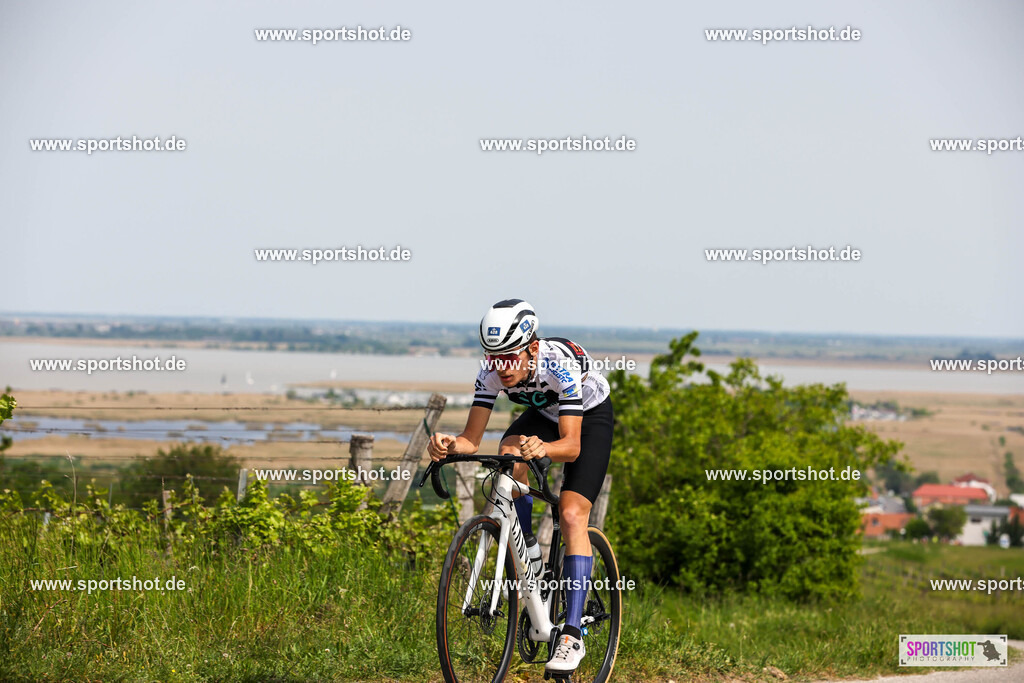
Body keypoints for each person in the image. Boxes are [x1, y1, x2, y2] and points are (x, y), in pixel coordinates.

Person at [427, 298, 614, 675]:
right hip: (545, 414)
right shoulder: (492, 370)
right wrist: (448, 445)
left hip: (587, 419)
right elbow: (471, 440)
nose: (501, 367)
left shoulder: (558, 363)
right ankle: (528, 551)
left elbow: (571, 445)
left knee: (572, 513)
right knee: (509, 455)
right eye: (493, 357)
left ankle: (571, 635)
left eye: (510, 357)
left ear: (531, 348)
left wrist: (545, 448)